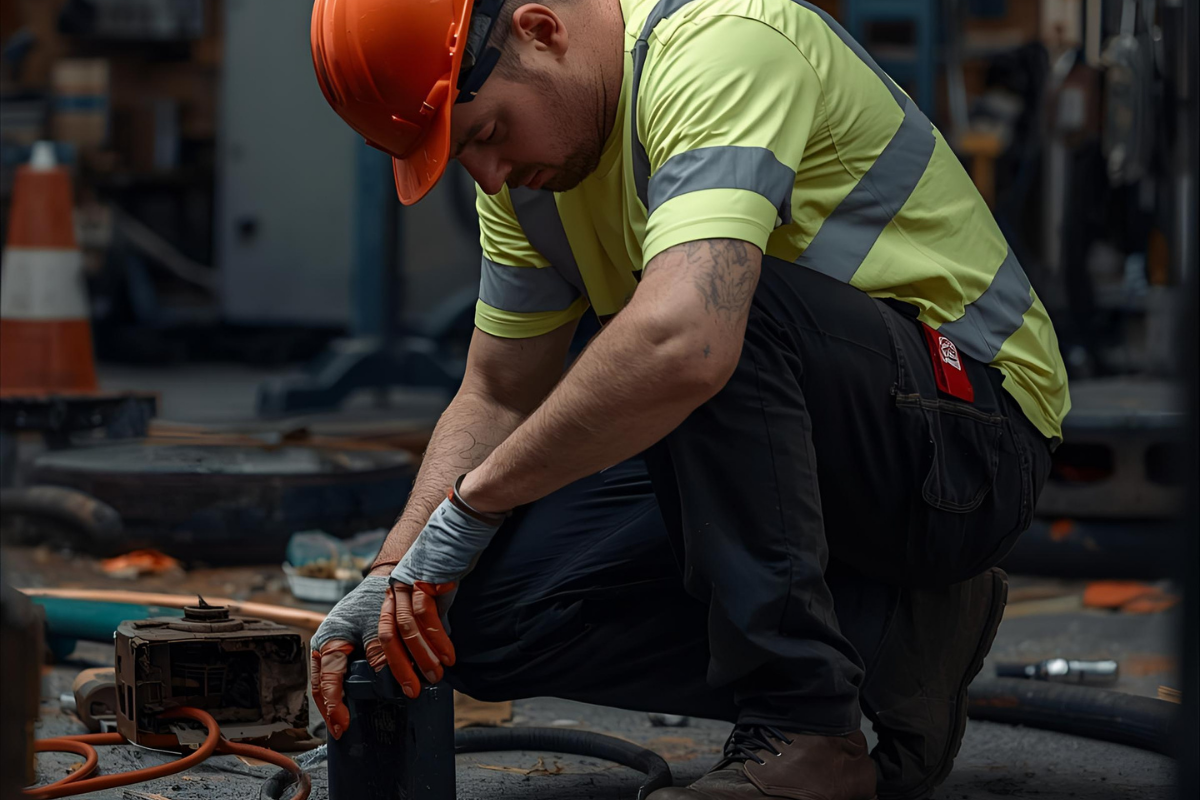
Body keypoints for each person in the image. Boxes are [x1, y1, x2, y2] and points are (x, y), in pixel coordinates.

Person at [307, 1, 1070, 797]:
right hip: (795, 443)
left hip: (968, 444)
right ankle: (893, 638)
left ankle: (806, 731)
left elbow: (689, 341)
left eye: (488, 134)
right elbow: (498, 390)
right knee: (469, 619)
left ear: (539, 30)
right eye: (462, 155)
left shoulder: (722, 45)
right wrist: (398, 571)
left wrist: (471, 509)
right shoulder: (527, 184)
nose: (489, 176)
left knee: (703, 317)